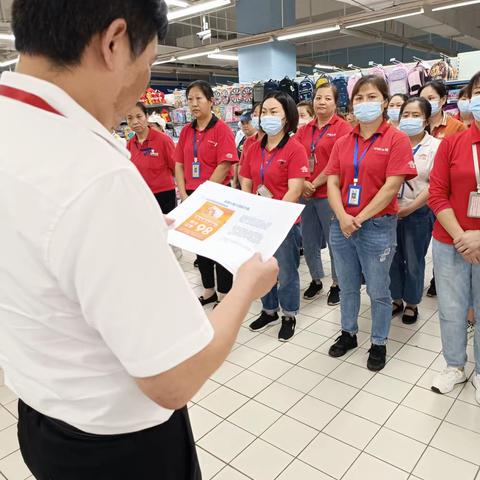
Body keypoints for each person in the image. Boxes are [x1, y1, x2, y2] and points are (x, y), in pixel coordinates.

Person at [0, 2, 278, 479]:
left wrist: (136, 234)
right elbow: (175, 380)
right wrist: (245, 288)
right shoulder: (96, 175)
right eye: (147, 59)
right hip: (119, 450)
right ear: (114, 43)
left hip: (38, 419)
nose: (144, 82)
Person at [325, 75, 417, 371]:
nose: (365, 103)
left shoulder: (397, 139)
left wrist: (359, 218)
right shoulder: (343, 141)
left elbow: (392, 187)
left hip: (376, 226)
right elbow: (332, 181)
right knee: (348, 285)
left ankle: (378, 342)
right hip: (342, 225)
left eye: (371, 97)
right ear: (352, 104)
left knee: (379, 290)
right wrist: (342, 217)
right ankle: (348, 333)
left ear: (385, 102)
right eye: (359, 98)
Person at [241, 91, 309, 341]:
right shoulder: (252, 147)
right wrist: (250, 206)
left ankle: (289, 314)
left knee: (286, 271)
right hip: (258, 221)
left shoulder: (295, 149)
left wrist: (274, 214)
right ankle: (269, 310)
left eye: (273, 112)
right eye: (263, 112)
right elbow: (246, 180)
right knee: (262, 270)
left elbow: (295, 189)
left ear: (287, 117)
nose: (266, 117)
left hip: (284, 223)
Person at [429, 71, 480, 400]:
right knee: (451, 306)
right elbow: (437, 193)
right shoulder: (454, 141)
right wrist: (463, 235)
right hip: (450, 240)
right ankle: (455, 366)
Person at [174, 80, 239, 306]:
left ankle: (224, 294)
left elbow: (225, 165)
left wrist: (206, 192)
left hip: (217, 195)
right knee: (200, 248)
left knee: (219, 248)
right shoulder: (186, 131)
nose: (194, 104)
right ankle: (209, 289)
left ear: (211, 101)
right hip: (192, 195)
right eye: (190, 99)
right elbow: (180, 164)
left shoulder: (222, 130)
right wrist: (184, 194)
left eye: (199, 98)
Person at [295, 83, 352, 304]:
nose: (321, 102)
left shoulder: (343, 128)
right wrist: (304, 183)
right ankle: (316, 279)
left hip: (329, 195)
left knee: (334, 242)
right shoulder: (305, 129)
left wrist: (314, 182)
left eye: (327, 98)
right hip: (306, 194)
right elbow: (297, 157)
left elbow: (338, 163)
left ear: (336, 103)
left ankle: (337, 283)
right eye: (318, 98)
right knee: (308, 241)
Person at [390, 97, 441, 324]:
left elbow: (434, 185)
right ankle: (395, 298)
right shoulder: (393, 142)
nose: (409, 120)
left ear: (426, 119)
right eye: (405, 115)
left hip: (418, 212)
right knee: (391, 258)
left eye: (415, 115)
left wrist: (410, 208)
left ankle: (411, 302)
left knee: (413, 259)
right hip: (390, 212)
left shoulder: (435, 147)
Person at [420, 80, 468, 297]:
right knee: (421, 245)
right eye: (424, 98)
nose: (428, 103)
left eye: (432, 98)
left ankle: (436, 278)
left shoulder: (456, 128)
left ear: (443, 100)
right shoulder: (415, 124)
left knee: (440, 238)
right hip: (418, 196)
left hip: (444, 198)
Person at [126, 102, 177, 214]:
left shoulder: (163, 140)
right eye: (130, 118)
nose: (135, 121)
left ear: (147, 117)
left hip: (164, 195)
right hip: (142, 195)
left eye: (139, 116)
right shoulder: (130, 144)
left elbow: (176, 168)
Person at [233, 109, 258, 188]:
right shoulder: (243, 139)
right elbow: (237, 163)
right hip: (241, 183)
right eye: (243, 123)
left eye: (247, 123)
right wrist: (234, 182)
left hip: (253, 183)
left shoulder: (259, 140)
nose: (245, 126)